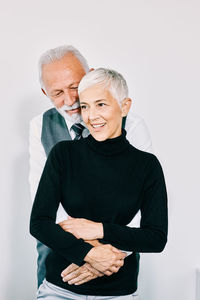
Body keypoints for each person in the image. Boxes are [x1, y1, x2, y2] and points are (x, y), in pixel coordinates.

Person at [30, 68, 168, 299]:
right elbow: (39, 223)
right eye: (85, 106)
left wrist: (99, 229)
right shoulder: (63, 154)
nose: (91, 116)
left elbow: (156, 238)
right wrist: (89, 255)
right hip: (60, 288)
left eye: (101, 104)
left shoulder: (147, 166)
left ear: (124, 106)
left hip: (117, 292)